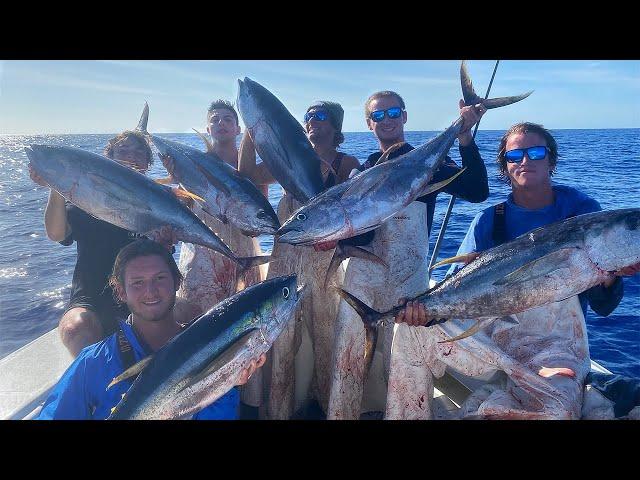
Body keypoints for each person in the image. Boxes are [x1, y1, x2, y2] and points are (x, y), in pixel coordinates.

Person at [395, 122, 640, 419]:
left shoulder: (582, 210)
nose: (525, 161)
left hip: (556, 346)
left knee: (556, 410)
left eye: (536, 152)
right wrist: (425, 312)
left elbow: (604, 307)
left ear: (551, 160)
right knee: (409, 330)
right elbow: (455, 287)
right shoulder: (490, 220)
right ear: (505, 166)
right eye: (515, 156)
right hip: (491, 334)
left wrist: (610, 278)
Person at [325, 91, 489, 420]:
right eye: (379, 116)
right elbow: (362, 232)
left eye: (393, 112)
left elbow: (477, 190)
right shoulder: (365, 170)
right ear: (369, 124)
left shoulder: (429, 164)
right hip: (363, 279)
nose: (387, 120)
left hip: (408, 279)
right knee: (348, 357)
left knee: (404, 362)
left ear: (404, 117)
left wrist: (465, 138)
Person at [36, 239, 265, 420]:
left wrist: (228, 383)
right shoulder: (91, 364)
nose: (151, 291)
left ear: (177, 282)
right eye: (138, 283)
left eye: (160, 278)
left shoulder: (211, 347)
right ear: (121, 292)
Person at [239, 101, 359, 419]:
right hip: (285, 264)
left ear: (335, 126)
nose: (312, 122)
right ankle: (278, 413)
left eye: (320, 117)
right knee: (280, 345)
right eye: (307, 117)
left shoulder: (347, 163)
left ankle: (328, 409)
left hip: (324, 265)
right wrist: (252, 132)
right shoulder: (287, 161)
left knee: (326, 341)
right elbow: (247, 175)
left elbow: (353, 212)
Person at [28, 131, 185, 357]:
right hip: (92, 295)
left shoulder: (158, 202)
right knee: (75, 329)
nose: (131, 155)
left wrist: (165, 245)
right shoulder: (87, 198)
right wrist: (56, 184)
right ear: (108, 157)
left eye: (139, 152)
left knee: (193, 313)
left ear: (148, 163)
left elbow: (163, 257)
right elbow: (56, 234)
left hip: (143, 292)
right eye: (123, 150)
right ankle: (100, 389)